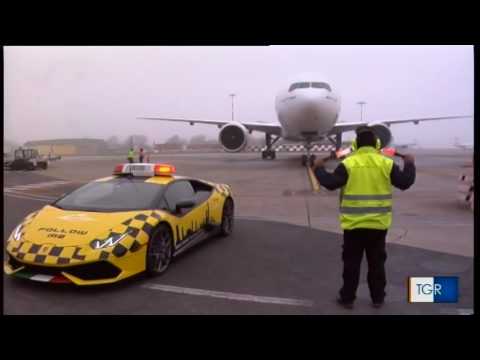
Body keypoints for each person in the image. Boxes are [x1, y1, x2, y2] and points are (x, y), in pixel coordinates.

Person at [313, 126, 416, 309]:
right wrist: (409, 164)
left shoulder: (349, 164)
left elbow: (330, 183)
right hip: (378, 225)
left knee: (351, 264)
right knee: (377, 264)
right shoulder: (386, 163)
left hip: (353, 225)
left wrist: (319, 169)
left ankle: (347, 299)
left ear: (355, 144)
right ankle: (377, 299)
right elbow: (405, 182)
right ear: (377, 144)